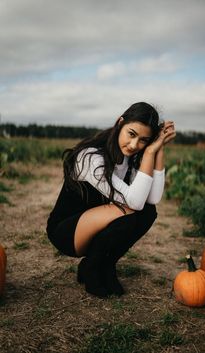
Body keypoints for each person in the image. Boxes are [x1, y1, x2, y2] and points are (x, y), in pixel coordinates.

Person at [46, 102, 176, 298]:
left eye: (143, 141)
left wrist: (158, 150)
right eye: (131, 134)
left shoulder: (130, 158)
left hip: (96, 222)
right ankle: (91, 267)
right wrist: (149, 151)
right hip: (67, 231)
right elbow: (134, 202)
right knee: (129, 214)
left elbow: (152, 199)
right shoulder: (91, 157)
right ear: (119, 123)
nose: (134, 145)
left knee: (148, 213)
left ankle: (105, 265)